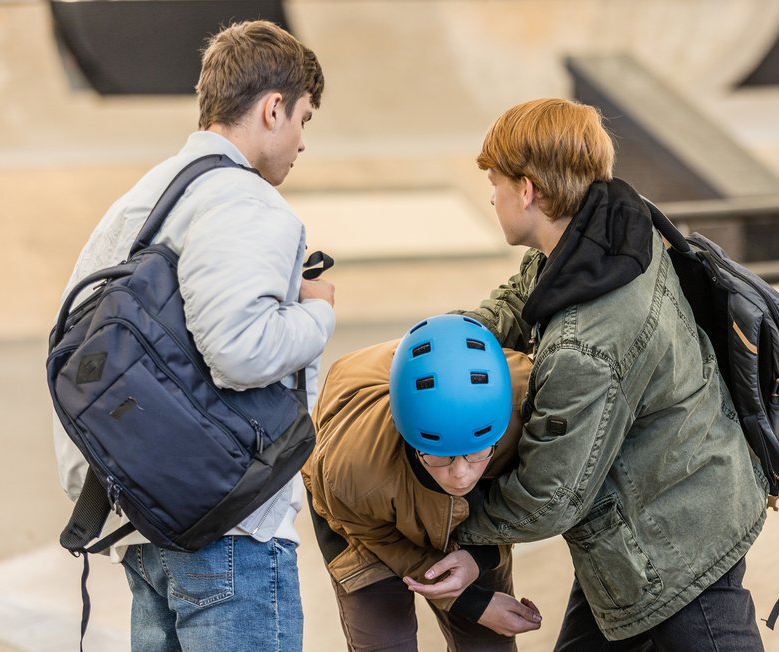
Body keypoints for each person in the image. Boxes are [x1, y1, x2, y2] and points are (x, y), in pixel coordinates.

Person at [407, 99, 770, 651]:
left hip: (674, 545)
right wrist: (451, 342)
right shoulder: (605, 231)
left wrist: (462, 525)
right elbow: (523, 296)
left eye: (495, 181)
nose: (490, 195)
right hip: (658, 511)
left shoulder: (584, 344)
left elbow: (549, 495)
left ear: (527, 190)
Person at [51, 20, 334, 651]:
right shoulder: (245, 202)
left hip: (146, 525)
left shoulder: (140, 200)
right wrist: (318, 311)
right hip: (228, 533)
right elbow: (241, 350)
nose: (301, 143)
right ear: (273, 108)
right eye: (304, 120)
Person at [302, 314, 543, 651]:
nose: (460, 475)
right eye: (440, 456)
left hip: (470, 514)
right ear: (410, 439)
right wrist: (470, 602)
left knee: (488, 644)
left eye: (477, 453)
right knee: (386, 641)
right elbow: (377, 536)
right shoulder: (350, 473)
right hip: (369, 527)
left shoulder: (530, 407)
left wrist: (480, 559)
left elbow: (545, 493)